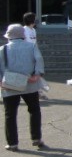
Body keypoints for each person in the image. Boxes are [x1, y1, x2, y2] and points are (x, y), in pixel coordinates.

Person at [1, 24, 46, 152]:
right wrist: (37, 75)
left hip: (9, 84)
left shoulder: (3, 49)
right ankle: (36, 138)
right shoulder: (31, 46)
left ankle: (12, 143)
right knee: (34, 110)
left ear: (9, 36)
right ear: (23, 35)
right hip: (30, 83)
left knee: (10, 114)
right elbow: (39, 60)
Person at [22, 12, 48, 100]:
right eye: (34, 18)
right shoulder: (24, 30)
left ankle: (39, 92)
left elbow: (34, 43)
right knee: (27, 74)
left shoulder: (33, 30)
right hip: (26, 56)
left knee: (37, 73)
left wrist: (37, 54)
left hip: (33, 55)